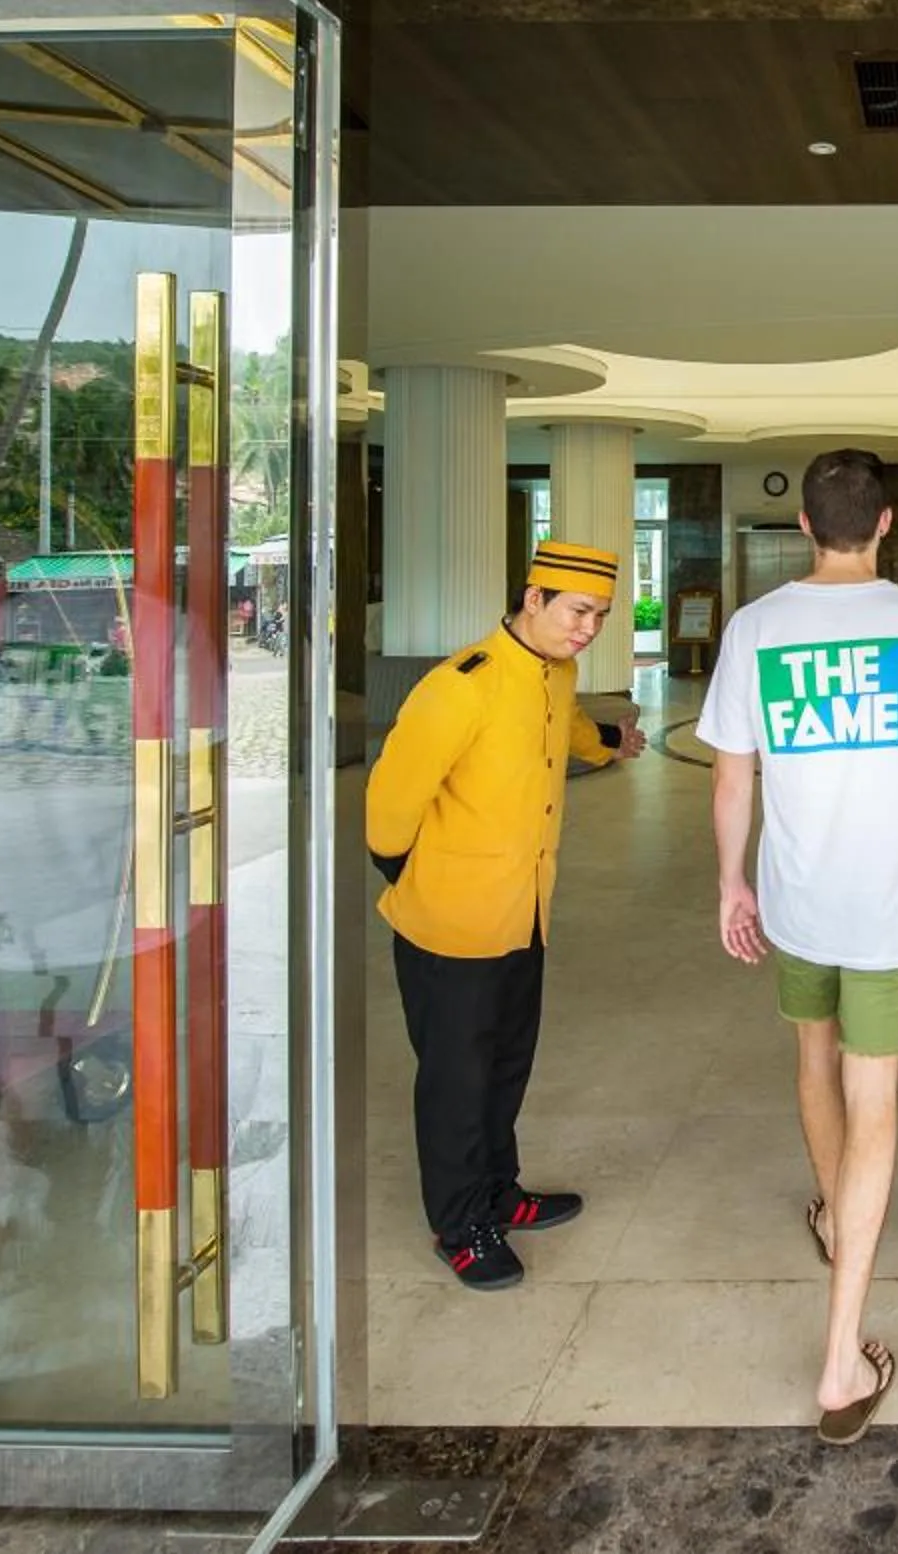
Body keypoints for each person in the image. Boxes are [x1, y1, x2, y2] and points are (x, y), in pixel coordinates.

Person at [704, 449, 898, 1445]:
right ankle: (840, 1360)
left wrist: (732, 879)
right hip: (887, 907)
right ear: (888, 521)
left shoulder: (755, 628)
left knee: (813, 1054)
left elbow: (732, 779)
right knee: (876, 1093)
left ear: (806, 527)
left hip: (798, 900)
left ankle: (833, 1212)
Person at [366, 541, 646, 1292]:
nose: (589, 628)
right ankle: (460, 1227)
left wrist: (613, 744)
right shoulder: (463, 685)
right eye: (578, 611)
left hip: (522, 918)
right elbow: (388, 808)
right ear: (534, 599)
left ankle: (498, 1193)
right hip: (451, 928)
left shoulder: (557, 673)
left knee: (505, 1067)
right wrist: (420, 877)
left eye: (601, 616)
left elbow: (567, 732)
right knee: (456, 1082)